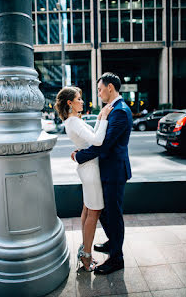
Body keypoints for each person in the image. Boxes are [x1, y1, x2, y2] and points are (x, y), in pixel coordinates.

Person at [71, 72, 132, 275]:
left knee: (113, 215)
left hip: (114, 172)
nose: (98, 94)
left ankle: (117, 259)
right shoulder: (113, 110)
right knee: (106, 213)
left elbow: (103, 145)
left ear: (110, 88)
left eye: (99, 89)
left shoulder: (120, 111)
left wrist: (80, 156)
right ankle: (112, 243)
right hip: (106, 171)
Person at [54, 86, 113, 272]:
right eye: (78, 98)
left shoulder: (72, 121)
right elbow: (97, 141)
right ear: (70, 103)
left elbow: (91, 137)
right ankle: (86, 257)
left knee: (88, 210)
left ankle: (84, 250)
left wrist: (99, 119)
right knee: (93, 213)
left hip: (87, 168)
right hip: (91, 171)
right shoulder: (74, 122)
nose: (82, 101)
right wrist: (103, 117)